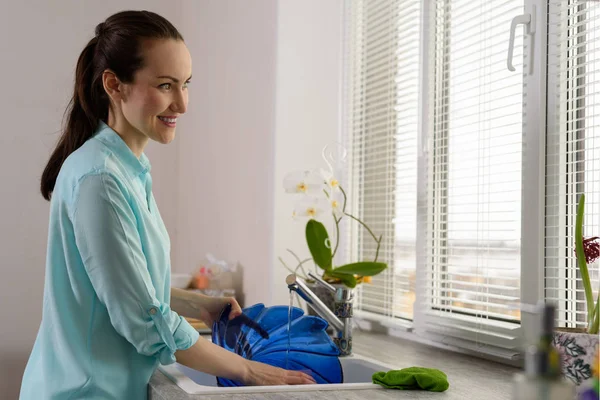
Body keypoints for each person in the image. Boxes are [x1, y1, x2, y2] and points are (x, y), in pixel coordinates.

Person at [19, 10, 315, 400]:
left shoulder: (126, 169)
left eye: (186, 84)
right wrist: (249, 370)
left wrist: (199, 304)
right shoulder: (101, 179)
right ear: (114, 85)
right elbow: (144, 319)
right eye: (165, 85)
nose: (182, 103)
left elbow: (120, 285)